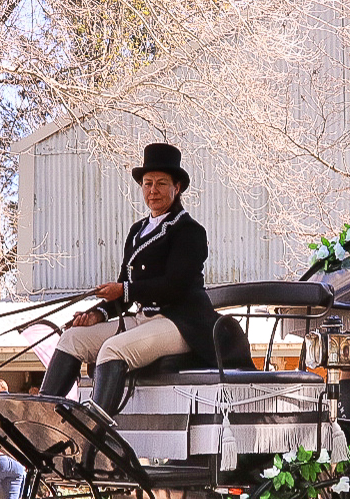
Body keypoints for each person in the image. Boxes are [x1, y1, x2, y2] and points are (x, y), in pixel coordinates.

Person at [39, 143, 226, 415]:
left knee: (113, 349)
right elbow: (124, 290)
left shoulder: (189, 231)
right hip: (143, 321)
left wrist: (124, 290)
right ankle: (43, 420)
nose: (153, 190)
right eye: (147, 183)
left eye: (161, 183)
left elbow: (174, 286)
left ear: (178, 187)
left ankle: (97, 432)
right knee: (72, 338)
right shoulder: (137, 231)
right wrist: (98, 314)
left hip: (181, 324)